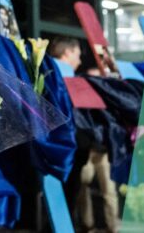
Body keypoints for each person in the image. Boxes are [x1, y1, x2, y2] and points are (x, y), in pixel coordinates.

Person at [50, 37, 119, 232]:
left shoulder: (55, 75)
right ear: (68, 52)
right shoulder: (64, 79)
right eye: (78, 54)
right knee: (69, 194)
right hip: (68, 148)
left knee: (73, 194)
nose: (80, 60)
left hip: (68, 148)